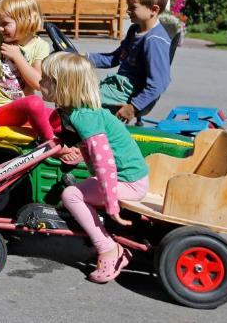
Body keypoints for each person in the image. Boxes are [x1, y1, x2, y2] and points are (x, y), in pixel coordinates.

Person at [40, 51, 149, 284]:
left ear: (63, 86)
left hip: (127, 181)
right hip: (119, 178)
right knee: (75, 191)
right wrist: (79, 155)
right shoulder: (74, 112)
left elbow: (104, 160)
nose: (39, 82)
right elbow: (93, 153)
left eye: (45, 79)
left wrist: (111, 205)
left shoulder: (85, 117)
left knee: (71, 195)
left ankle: (109, 248)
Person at [87, 0, 172, 124]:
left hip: (129, 93)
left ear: (154, 10)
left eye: (133, 7)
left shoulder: (154, 41)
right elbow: (115, 58)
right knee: (77, 90)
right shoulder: (135, 30)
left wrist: (133, 108)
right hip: (119, 86)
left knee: (78, 98)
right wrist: (84, 58)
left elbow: (159, 83)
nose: (128, 10)